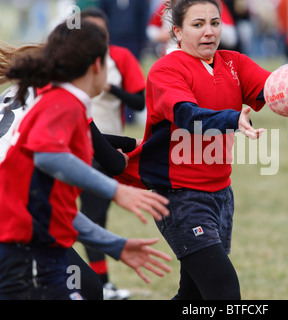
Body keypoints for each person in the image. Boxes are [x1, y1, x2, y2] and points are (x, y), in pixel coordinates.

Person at [116, 0, 288, 300]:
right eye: (198, 24)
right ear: (177, 31)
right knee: (224, 291)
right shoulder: (166, 70)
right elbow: (187, 117)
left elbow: (274, 88)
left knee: (193, 297)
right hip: (180, 198)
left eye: (215, 23)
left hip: (221, 195)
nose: (209, 32)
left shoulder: (233, 62)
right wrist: (234, 119)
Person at [0, 20, 170, 300]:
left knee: (88, 288)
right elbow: (49, 157)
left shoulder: (51, 96)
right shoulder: (62, 103)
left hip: (29, 233)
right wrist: (117, 190)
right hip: (18, 241)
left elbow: (55, 206)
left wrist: (115, 245)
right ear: (96, 65)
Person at [78, 8, 147, 300]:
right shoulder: (69, 76)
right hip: (80, 146)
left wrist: (112, 89)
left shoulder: (120, 57)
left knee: (91, 215)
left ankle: (100, 283)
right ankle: (101, 283)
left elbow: (139, 101)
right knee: (90, 215)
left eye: (101, 34)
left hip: (100, 145)